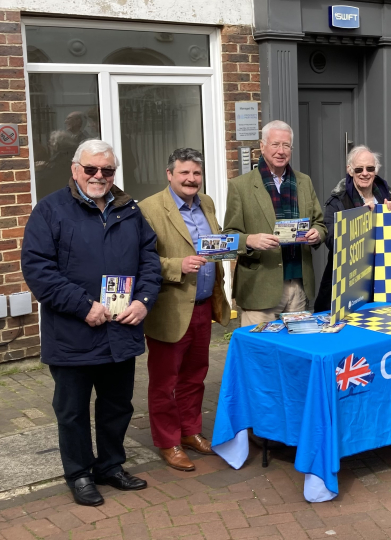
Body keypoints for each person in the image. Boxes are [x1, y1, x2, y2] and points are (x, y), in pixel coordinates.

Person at [21, 139, 162, 506]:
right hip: (73, 332)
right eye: (91, 169)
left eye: (107, 170)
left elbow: (150, 259)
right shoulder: (49, 210)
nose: (99, 176)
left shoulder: (129, 209)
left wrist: (143, 302)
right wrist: (83, 306)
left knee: (118, 405)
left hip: (121, 329)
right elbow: (38, 269)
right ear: (75, 169)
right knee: (72, 411)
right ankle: (80, 473)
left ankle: (111, 466)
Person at [138, 148, 231, 472]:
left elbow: (215, 243)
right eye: (184, 173)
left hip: (205, 305)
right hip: (171, 308)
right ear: (169, 174)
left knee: (195, 377)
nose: (191, 179)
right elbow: (142, 260)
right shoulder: (149, 209)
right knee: (165, 382)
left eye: (196, 173)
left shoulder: (206, 203)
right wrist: (179, 264)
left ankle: (190, 432)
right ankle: (168, 441)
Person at [223, 120, 326, 327]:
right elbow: (229, 235)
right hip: (260, 287)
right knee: (260, 354)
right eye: (275, 144)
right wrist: (250, 240)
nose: (281, 151)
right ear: (262, 146)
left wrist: (317, 233)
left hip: (299, 284)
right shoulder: (240, 186)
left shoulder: (304, 182)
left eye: (286, 146)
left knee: (296, 352)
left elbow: (320, 223)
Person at [314, 146, 391, 313]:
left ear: (376, 170)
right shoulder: (337, 201)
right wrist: (359, 218)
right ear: (350, 170)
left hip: (384, 279)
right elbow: (331, 240)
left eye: (370, 168)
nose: (365, 173)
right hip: (349, 283)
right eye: (359, 169)